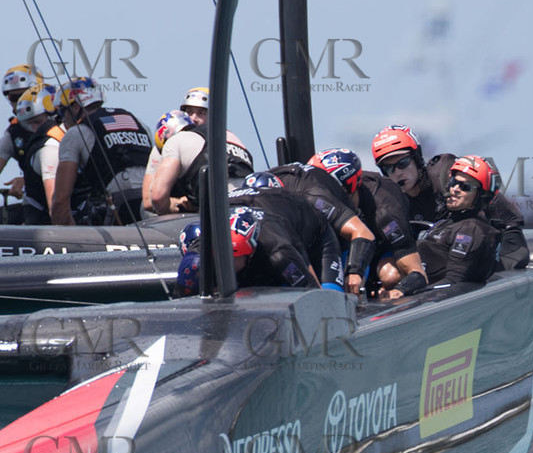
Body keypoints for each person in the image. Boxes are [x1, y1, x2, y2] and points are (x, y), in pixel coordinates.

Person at [370, 124, 529, 269]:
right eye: (389, 168)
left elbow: (509, 216)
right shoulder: (390, 199)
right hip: (436, 261)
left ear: (417, 159)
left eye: (403, 163)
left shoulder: (447, 175)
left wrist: (508, 260)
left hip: (479, 250)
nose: (398, 172)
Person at [176, 184, 341, 294]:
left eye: (234, 257)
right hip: (255, 208)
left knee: (328, 293)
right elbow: (181, 300)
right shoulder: (201, 249)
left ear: (251, 252)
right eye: (222, 256)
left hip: (309, 231)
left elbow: (313, 294)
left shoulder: (278, 251)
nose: (227, 262)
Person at [307, 147, 426, 295]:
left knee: (390, 275)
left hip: (382, 248)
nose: (318, 197)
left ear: (345, 189)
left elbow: (417, 273)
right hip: (345, 245)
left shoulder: (385, 210)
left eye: (324, 191)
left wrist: (399, 291)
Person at [267, 156, 376, 296]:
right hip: (295, 237)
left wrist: (355, 273)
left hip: (328, 235)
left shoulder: (315, 197)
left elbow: (363, 233)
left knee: (331, 296)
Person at [49, 77, 151, 225]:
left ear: (76, 107)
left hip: (119, 205)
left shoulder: (76, 133)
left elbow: (60, 199)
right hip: (150, 201)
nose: (62, 121)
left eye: (62, 113)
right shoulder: (136, 121)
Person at [398, 155, 501, 295]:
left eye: (465, 187)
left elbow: (454, 281)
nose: (455, 189)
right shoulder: (446, 222)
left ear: (480, 195)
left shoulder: (470, 229)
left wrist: (403, 292)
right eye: (453, 182)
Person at [147, 86, 255, 214]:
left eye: (201, 113)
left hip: (215, 215)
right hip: (247, 211)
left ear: (214, 115)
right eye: (189, 112)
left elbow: (156, 197)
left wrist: (172, 208)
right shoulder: (237, 141)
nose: (193, 118)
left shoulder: (176, 141)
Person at [0, 81, 63, 225]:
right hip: (36, 206)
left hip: (74, 206)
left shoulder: (70, 132)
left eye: (22, 95)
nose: (17, 103)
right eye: (12, 98)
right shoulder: (14, 134)